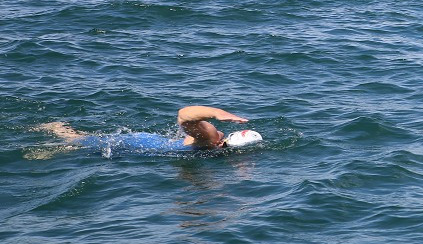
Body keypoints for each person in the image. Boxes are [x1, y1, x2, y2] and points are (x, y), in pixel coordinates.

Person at [34, 105, 261, 154]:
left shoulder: (211, 143)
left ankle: (57, 133)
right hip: (139, 144)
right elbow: (183, 115)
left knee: (81, 140)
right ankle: (53, 134)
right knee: (75, 142)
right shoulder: (209, 139)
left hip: (150, 142)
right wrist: (219, 114)